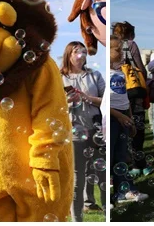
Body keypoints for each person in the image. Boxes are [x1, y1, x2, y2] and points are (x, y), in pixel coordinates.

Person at [60, 41, 106, 220]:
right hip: (72, 132)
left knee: (102, 176)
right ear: (69, 55)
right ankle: (77, 220)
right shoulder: (59, 77)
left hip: (95, 129)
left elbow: (106, 100)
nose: (81, 55)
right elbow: (51, 106)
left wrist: (87, 97)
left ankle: (107, 216)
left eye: (83, 52)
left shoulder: (94, 75)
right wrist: (67, 101)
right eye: (76, 52)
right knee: (77, 180)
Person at [108, 37, 148, 205]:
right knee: (109, 157)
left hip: (124, 116)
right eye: (117, 49)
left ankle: (124, 191)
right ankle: (107, 196)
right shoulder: (104, 73)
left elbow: (125, 98)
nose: (122, 53)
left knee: (121, 156)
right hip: (111, 117)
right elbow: (103, 103)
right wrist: (120, 116)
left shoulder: (119, 73)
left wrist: (130, 118)